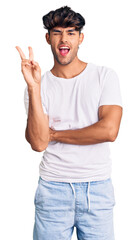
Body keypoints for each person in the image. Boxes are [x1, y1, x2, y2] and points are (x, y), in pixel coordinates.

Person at [16, 5, 123, 240]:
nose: (64, 39)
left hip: (97, 190)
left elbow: (109, 130)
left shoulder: (104, 76)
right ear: (48, 38)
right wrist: (34, 88)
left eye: (71, 32)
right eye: (57, 32)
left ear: (80, 38)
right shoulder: (36, 86)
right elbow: (37, 143)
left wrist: (54, 134)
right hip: (52, 189)